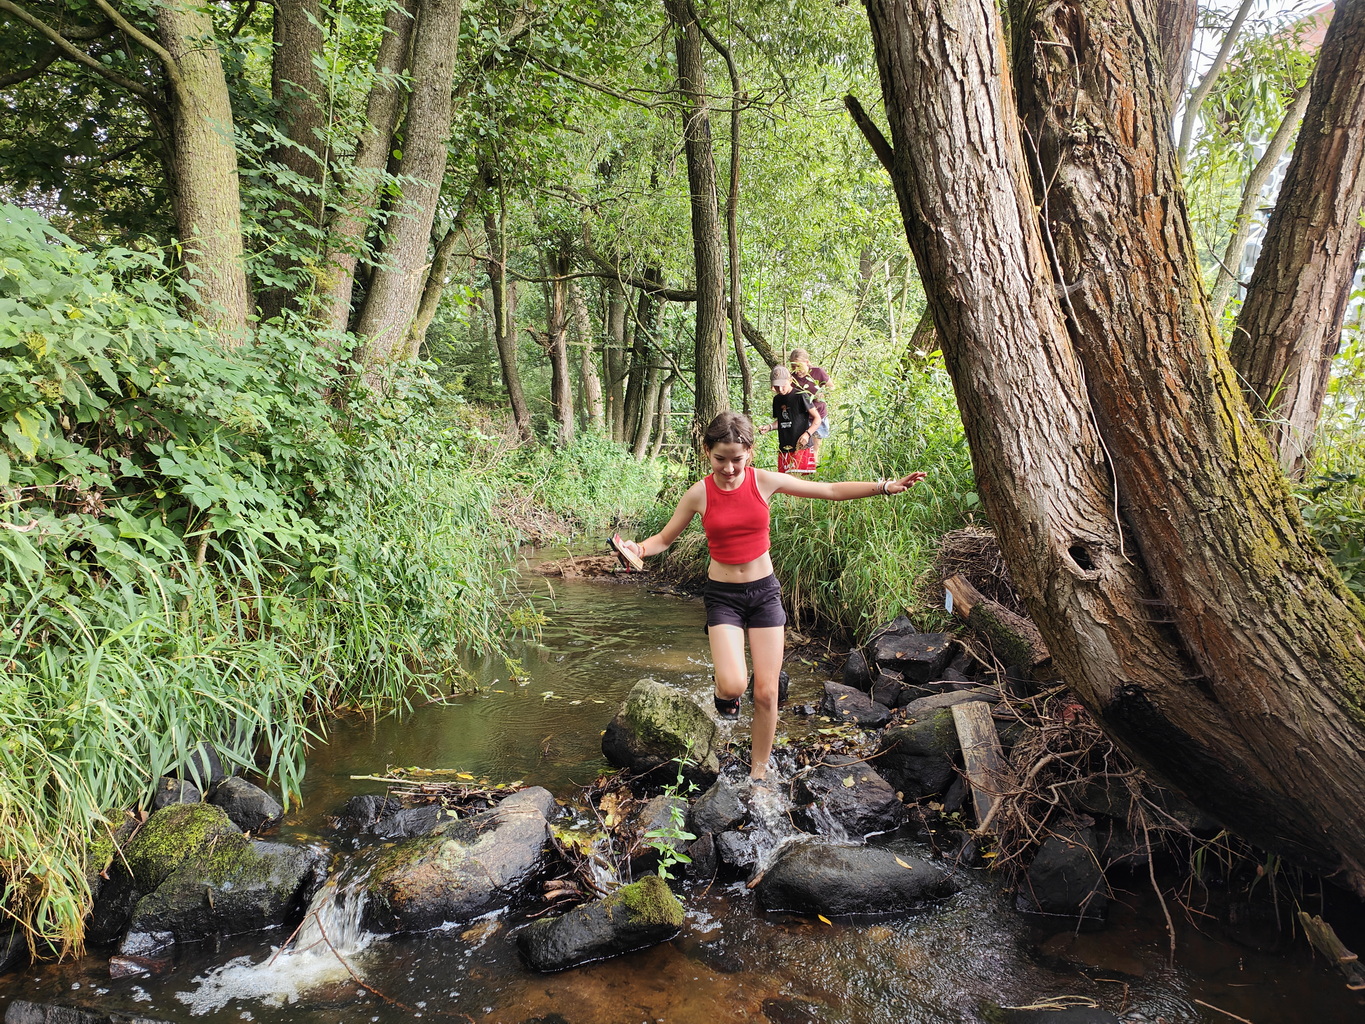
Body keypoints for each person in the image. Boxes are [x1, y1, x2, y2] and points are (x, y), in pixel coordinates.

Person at [613, 411, 926, 783]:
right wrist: (638, 549)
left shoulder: (763, 481)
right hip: (723, 597)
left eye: (737, 459)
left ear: (750, 452)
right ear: (707, 451)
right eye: (720, 459)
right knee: (734, 685)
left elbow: (828, 490)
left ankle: (758, 773)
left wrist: (884, 486)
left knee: (765, 692)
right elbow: (664, 539)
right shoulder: (699, 493)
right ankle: (724, 693)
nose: (729, 468)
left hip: (764, 594)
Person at [760, 365, 820, 475]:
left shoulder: (800, 396)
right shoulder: (777, 399)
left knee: (800, 480)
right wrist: (769, 427)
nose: (780, 389)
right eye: (776, 386)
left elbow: (817, 418)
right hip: (785, 448)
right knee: (785, 481)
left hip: (801, 446)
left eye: (783, 385)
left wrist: (807, 434)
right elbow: (782, 421)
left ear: (790, 381)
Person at [789, 348, 831, 463]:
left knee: (814, 448)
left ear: (807, 362)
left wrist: (823, 393)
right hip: (802, 417)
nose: (796, 370)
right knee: (801, 447)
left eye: (799, 366)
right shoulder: (792, 378)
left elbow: (831, 387)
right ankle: (800, 469)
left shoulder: (818, 372)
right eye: (793, 367)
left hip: (818, 416)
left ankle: (814, 470)